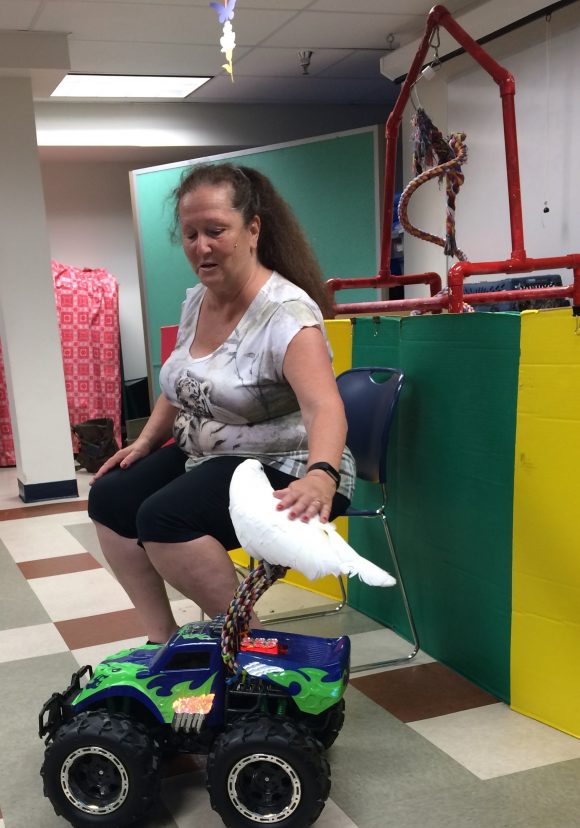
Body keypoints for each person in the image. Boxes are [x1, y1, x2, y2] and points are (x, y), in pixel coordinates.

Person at [88, 162, 355, 644]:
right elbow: (179, 382)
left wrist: (322, 474)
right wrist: (147, 440)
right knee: (110, 497)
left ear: (252, 229)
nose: (201, 247)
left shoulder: (286, 314)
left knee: (163, 518)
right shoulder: (198, 299)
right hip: (208, 454)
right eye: (190, 234)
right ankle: (162, 640)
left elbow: (325, 407)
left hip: (290, 462)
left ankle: (249, 645)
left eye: (215, 231)